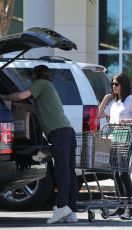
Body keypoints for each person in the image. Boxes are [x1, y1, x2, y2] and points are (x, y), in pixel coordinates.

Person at [0, 65, 78, 224]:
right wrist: (21, 107)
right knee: (69, 171)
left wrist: (5, 97)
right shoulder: (48, 87)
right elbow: (36, 109)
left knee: (61, 171)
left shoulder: (41, 82)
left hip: (59, 133)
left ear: (37, 74)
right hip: (68, 131)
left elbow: (22, 95)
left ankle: (62, 206)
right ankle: (71, 210)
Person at [98, 72, 132, 219]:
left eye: (116, 84)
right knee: (115, 174)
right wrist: (106, 99)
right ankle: (121, 206)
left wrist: (126, 122)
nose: (114, 87)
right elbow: (99, 115)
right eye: (112, 84)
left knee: (122, 172)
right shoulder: (114, 102)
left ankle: (130, 208)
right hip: (113, 138)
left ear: (123, 85)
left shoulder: (130, 99)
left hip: (125, 137)